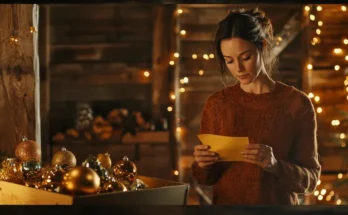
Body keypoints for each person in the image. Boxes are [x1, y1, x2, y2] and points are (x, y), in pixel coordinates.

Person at [191, 7, 321, 205]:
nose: (238, 69)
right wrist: (203, 164)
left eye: (246, 57)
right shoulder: (217, 104)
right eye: (229, 61)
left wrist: (275, 165)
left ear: (263, 46)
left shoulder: (297, 104)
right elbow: (205, 178)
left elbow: (310, 181)